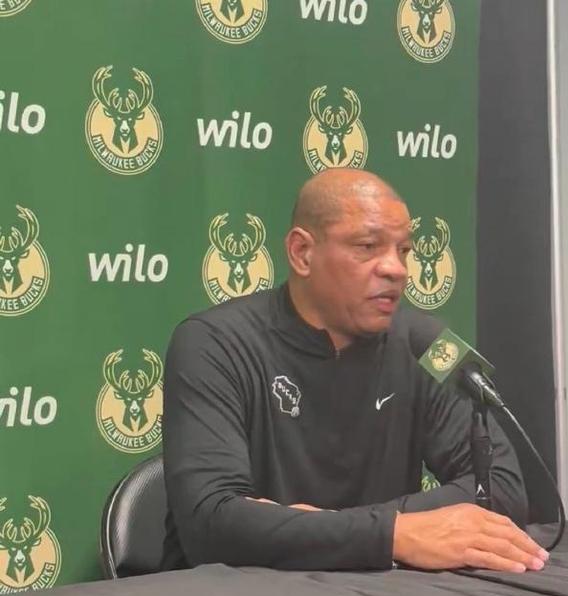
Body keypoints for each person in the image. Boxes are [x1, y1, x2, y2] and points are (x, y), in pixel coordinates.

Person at [161, 169, 548, 573]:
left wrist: (341, 529)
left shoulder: (427, 342)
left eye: (404, 250)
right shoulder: (213, 342)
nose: (396, 269)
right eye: (367, 246)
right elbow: (212, 524)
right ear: (302, 253)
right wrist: (393, 534)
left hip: (381, 595)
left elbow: (502, 488)